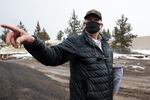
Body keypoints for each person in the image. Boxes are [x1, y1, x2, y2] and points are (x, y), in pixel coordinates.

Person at [0, 9, 114, 100]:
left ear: (101, 24)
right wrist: (32, 41)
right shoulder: (75, 42)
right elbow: (52, 56)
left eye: (96, 19)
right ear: (84, 24)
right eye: (89, 19)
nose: (92, 21)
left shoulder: (106, 46)